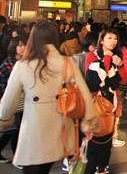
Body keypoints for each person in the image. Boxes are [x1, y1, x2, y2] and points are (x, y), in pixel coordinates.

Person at [0, 21, 96, 174]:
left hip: (34, 133)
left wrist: (4, 117)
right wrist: (88, 123)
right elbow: (85, 94)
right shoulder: (67, 62)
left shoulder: (22, 66)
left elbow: (6, 108)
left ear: (33, 39)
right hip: (62, 132)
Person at [84, 28, 124, 174]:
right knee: (94, 141)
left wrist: (118, 65)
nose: (113, 41)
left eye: (115, 38)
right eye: (109, 38)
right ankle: (92, 168)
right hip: (96, 105)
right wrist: (108, 62)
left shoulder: (116, 57)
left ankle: (102, 168)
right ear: (101, 40)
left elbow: (118, 82)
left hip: (110, 105)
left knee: (107, 140)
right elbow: (92, 84)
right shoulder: (92, 57)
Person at [0, 37, 26, 165]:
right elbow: (4, 86)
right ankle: (18, 157)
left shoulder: (23, 62)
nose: (24, 47)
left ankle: (18, 156)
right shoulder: (8, 64)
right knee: (15, 129)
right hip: (12, 101)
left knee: (15, 129)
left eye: (24, 45)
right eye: (20, 45)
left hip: (22, 102)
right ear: (14, 48)